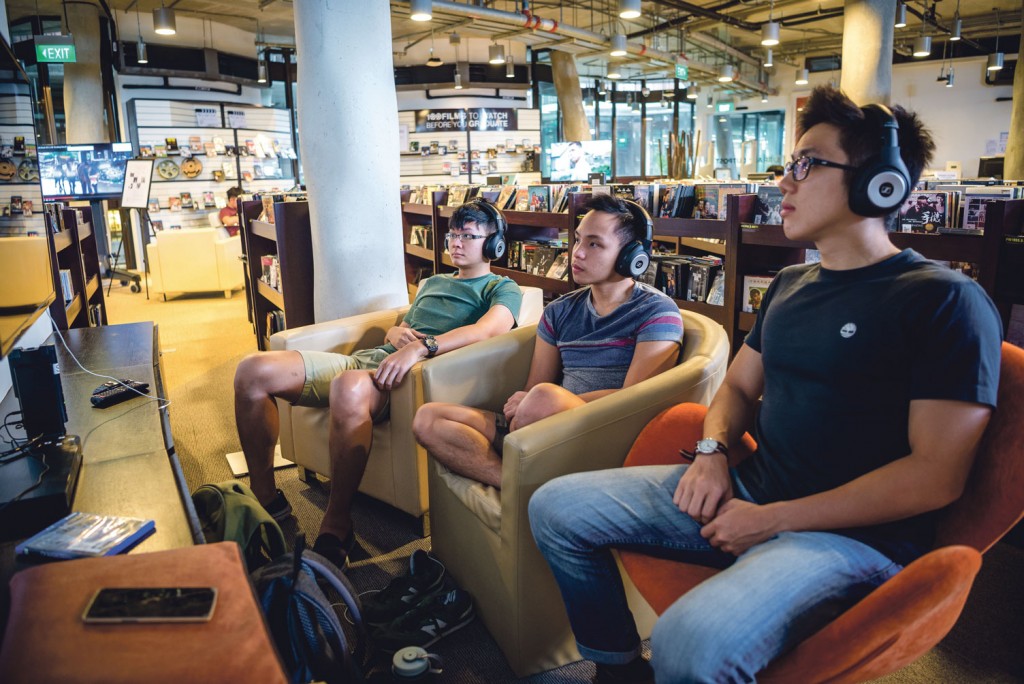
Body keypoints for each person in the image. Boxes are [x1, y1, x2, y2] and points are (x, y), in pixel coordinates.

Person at [529, 85, 1003, 684]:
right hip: (749, 489)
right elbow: (735, 390)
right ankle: (620, 670)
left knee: (688, 643)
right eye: (788, 165)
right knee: (555, 508)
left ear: (879, 184)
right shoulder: (790, 284)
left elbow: (935, 474)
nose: (784, 182)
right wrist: (712, 453)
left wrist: (776, 519)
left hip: (852, 538)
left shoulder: (943, 300)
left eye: (806, 164)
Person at [234, 199, 523, 567]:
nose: (456, 242)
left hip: (400, 380)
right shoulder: (433, 281)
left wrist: (421, 347)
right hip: (366, 361)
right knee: (252, 370)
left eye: (468, 235)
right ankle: (267, 500)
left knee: (347, 386)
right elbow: (403, 325)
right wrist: (395, 331)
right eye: (453, 234)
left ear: (494, 244)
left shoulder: (502, 287)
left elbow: (489, 330)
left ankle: (337, 524)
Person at [412, 194, 683, 489]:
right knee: (429, 418)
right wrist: (527, 402)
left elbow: (635, 400)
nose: (576, 253)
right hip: (540, 425)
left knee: (545, 397)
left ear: (632, 256)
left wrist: (539, 402)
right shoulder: (559, 310)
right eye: (578, 240)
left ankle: (524, 465)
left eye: (594, 244)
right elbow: (533, 386)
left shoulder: (657, 311)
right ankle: (515, 483)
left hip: (599, 430)